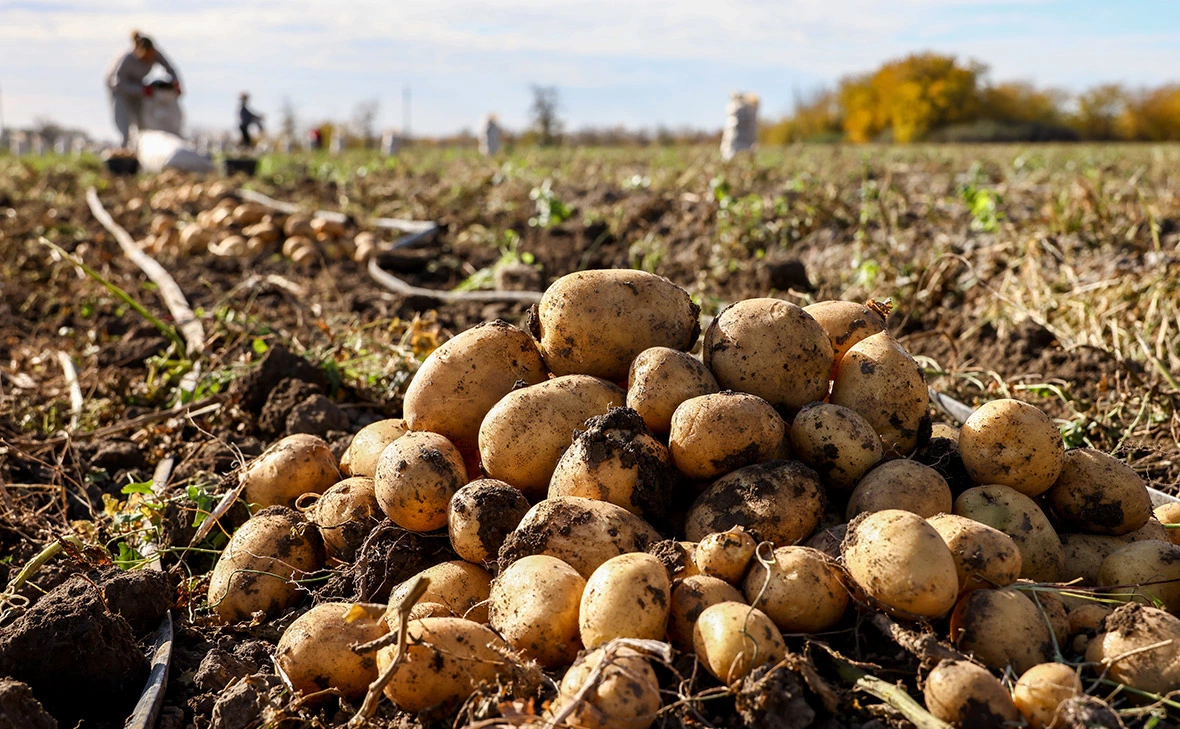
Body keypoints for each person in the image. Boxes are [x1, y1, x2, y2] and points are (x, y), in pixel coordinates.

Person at [105, 30, 181, 148]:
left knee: (142, 122)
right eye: (146, 57)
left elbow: (171, 69)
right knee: (124, 122)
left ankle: (139, 150)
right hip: (120, 90)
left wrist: (176, 83)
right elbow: (118, 82)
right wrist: (141, 90)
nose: (149, 59)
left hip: (139, 88)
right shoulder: (127, 59)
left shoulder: (155, 54)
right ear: (140, 52)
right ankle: (124, 150)